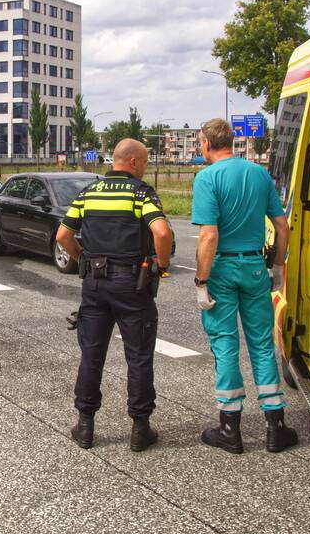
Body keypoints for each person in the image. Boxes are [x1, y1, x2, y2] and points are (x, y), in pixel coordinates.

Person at [55, 139, 173, 452]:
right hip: (132, 285)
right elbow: (162, 232)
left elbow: (63, 235)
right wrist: (161, 265)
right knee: (139, 356)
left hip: (95, 284)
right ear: (133, 162)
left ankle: (85, 426)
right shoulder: (140, 193)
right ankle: (140, 429)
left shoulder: (88, 193)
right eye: (144, 162)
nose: (145, 167)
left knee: (91, 355)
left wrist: (82, 258)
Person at [191, 118, 297, 454]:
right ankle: (275, 426)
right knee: (262, 344)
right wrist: (277, 266)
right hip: (254, 266)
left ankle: (230, 428)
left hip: (222, 268)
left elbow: (209, 236)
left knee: (225, 344)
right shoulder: (259, 174)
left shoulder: (207, 178)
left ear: (207, 143)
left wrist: (201, 281)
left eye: (200, 142)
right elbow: (282, 226)